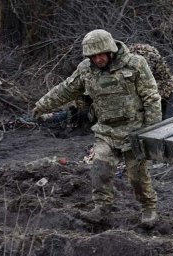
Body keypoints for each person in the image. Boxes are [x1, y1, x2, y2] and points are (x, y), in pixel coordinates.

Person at [32, 29, 162, 227]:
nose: (98, 59)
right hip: (106, 131)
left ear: (110, 51)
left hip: (134, 131)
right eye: (93, 56)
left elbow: (151, 97)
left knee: (137, 177)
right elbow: (66, 89)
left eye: (101, 54)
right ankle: (101, 208)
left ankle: (148, 208)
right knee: (100, 171)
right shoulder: (86, 69)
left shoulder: (135, 64)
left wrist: (152, 131)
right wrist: (42, 105)